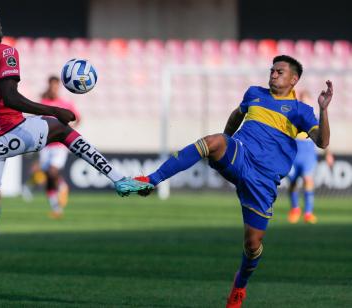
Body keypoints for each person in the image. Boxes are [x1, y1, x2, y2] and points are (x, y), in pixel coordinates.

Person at [0, 6, 153, 307]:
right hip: (11, 131)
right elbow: (10, 97)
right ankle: (120, 180)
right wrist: (53, 109)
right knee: (60, 129)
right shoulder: (4, 52)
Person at [135, 55, 333, 308]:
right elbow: (235, 115)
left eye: (280, 72)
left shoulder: (301, 111)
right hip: (240, 155)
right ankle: (151, 181)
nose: (273, 74)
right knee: (211, 141)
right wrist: (225, 141)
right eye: (272, 70)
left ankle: (240, 284)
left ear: (294, 79)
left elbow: (323, 142)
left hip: (263, 181)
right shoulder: (254, 93)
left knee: (253, 245)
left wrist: (324, 109)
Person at [287, 91, 334, 224]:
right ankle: (295, 209)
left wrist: (328, 154)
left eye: (305, 100)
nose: (303, 102)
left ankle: (308, 213)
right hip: (294, 154)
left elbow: (324, 139)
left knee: (308, 181)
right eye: (301, 100)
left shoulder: (315, 119)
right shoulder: (292, 117)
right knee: (293, 183)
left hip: (308, 155)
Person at [39, 76, 80, 218]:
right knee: (48, 176)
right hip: (46, 145)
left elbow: (78, 118)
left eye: (56, 86)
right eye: (52, 86)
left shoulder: (65, 104)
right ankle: (56, 207)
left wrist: (68, 130)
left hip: (59, 145)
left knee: (52, 171)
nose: (54, 88)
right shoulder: (43, 103)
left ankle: (62, 185)